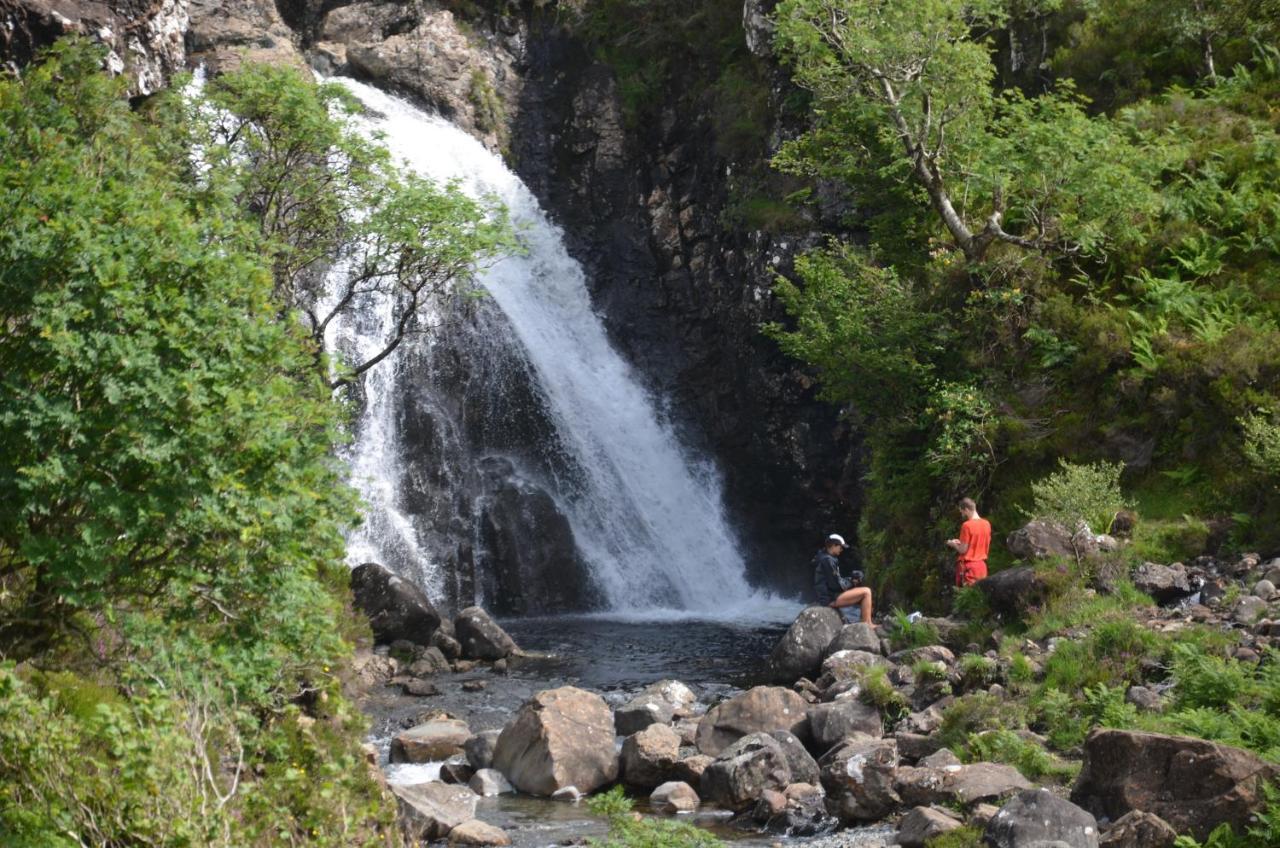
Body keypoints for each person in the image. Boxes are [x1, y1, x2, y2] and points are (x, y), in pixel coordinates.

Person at [812, 533, 873, 624]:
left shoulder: (825, 557)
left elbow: (835, 580)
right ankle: (868, 624)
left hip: (829, 596)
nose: (842, 549)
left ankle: (864, 622)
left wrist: (851, 580)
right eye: (840, 547)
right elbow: (835, 585)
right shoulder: (827, 560)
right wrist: (852, 581)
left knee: (863, 592)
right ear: (833, 545)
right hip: (830, 599)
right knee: (866, 592)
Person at [946, 497, 991, 587]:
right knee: (980, 596)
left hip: (969, 567)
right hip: (982, 566)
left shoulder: (967, 525)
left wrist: (953, 544)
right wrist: (961, 542)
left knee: (966, 596)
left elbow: (963, 550)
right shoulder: (987, 524)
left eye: (962, 512)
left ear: (966, 509)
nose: (962, 514)